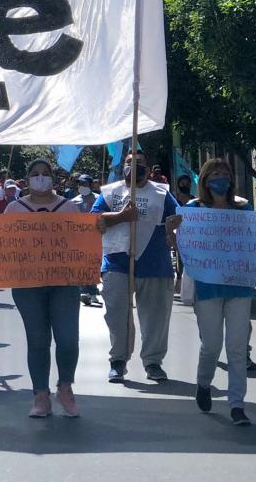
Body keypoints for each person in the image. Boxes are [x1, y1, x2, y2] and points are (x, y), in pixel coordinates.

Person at [167, 159, 256, 427]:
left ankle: (237, 404)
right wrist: (170, 230)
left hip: (239, 286)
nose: (220, 177)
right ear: (204, 179)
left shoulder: (243, 209)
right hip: (207, 288)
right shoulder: (193, 210)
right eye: (214, 173)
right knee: (211, 345)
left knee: (237, 347)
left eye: (224, 173)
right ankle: (204, 383)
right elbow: (182, 247)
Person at [4, 160, 83, 417]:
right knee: (37, 340)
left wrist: (96, 230)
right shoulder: (14, 209)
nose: (40, 177)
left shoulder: (68, 207)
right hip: (28, 283)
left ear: (53, 178)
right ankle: (40, 395)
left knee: (68, 339)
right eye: (35, 174)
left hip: (64, 283)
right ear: (27, 178)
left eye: (45, 173)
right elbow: (4, 242)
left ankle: (65, 388)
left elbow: (82, 240)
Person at [92, 150, 177, 383]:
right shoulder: (110, 192)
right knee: (117, 315)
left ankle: (153, 362)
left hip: (155, 264)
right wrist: (121, 216)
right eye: (130, 162)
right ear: (123, 168)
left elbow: (177, 218)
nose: (134, 165)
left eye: (139, 162)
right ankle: (118, 361)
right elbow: (94, 220)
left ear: (148, 169)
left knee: (156, 318)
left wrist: (174, 226)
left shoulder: (162, 193)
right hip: (117, 263)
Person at [73, 175, 102, 307]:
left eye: (84, 184)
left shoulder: (99, 199)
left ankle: (92, 291)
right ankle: (84, 291)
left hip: (95, 237)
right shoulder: (74, 201)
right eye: (80, 184)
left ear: (91, 185)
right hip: (79, 238)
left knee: (93, 264)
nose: (82, 186)